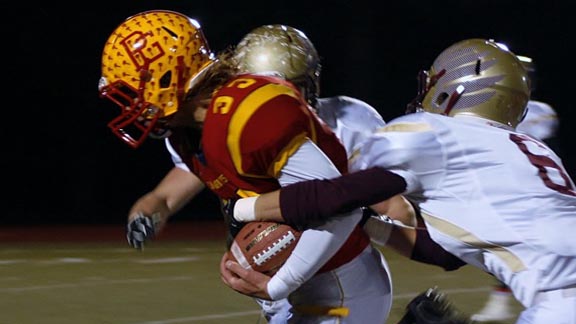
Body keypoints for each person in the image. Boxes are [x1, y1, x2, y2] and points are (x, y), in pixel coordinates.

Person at [221, 38, 576, 324]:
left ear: (452, 88)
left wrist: (242, 208)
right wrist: (365, 223)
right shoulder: (533, 150)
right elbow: (445, 253)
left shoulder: (435, 132)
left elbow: (332, 197)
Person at [99, 11, 392, 323]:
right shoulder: (189, 132)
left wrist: (279, 283)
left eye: (131, 92)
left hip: (339, 289)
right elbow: (172, 194)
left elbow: (341, 207)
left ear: (166, 79)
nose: (130, 106)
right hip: (306, 289)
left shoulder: (250, 115)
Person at [471, 53, 561, 322]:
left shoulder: (540, 111)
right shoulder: (490, 106)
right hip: (503, 186)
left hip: (534, 187)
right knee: (501, 245)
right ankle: (501, 300)